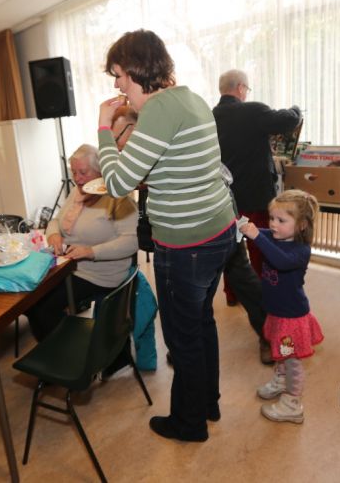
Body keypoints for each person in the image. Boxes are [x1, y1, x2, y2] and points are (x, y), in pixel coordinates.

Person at [97, 29, 237, 443]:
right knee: (202, 322)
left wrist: (104, 128)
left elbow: (118, 184)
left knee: (182, 337)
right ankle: (207, 403)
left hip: (186, 244)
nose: (117, 85)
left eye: (119, 74)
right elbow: (177, 164)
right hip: (219, 230)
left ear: (136, 69)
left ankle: (188, 423)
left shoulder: (159, 109)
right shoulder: (189, 98)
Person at [26, 144, 139, 345]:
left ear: (100, 171)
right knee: (30, 300)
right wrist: (54, 235)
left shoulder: (118, 199)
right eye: (74, 172)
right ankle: (57, 349)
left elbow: (131, 242)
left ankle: (69, 351)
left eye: (83, 172)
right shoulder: (76, 193)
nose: (77, 179)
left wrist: (91, 251)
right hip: (70, 268)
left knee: (42, 307)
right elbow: (55, 220)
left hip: (100, 275)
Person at [240, 189, 324, 424]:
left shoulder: (299, 251)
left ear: (302, 225)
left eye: (281, 220)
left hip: (291, 318)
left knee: (292, 361)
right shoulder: (278, 237)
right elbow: (265, 233)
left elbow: (280, 261)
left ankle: (292, 404)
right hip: (277, 313)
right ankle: (280, 381)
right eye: (272, 218)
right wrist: (249, 229)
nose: (273, 224)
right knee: (282, 353)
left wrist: (257, 237)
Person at [213, 69, 301, 291]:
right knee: (260, 243)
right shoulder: (252, 111)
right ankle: (263, 291)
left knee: (232, 246)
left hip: (225, 196)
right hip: (255, 194)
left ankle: (232, 293)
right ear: (241, 88)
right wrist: (296, 109)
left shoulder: (210, 115)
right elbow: (288, 120)